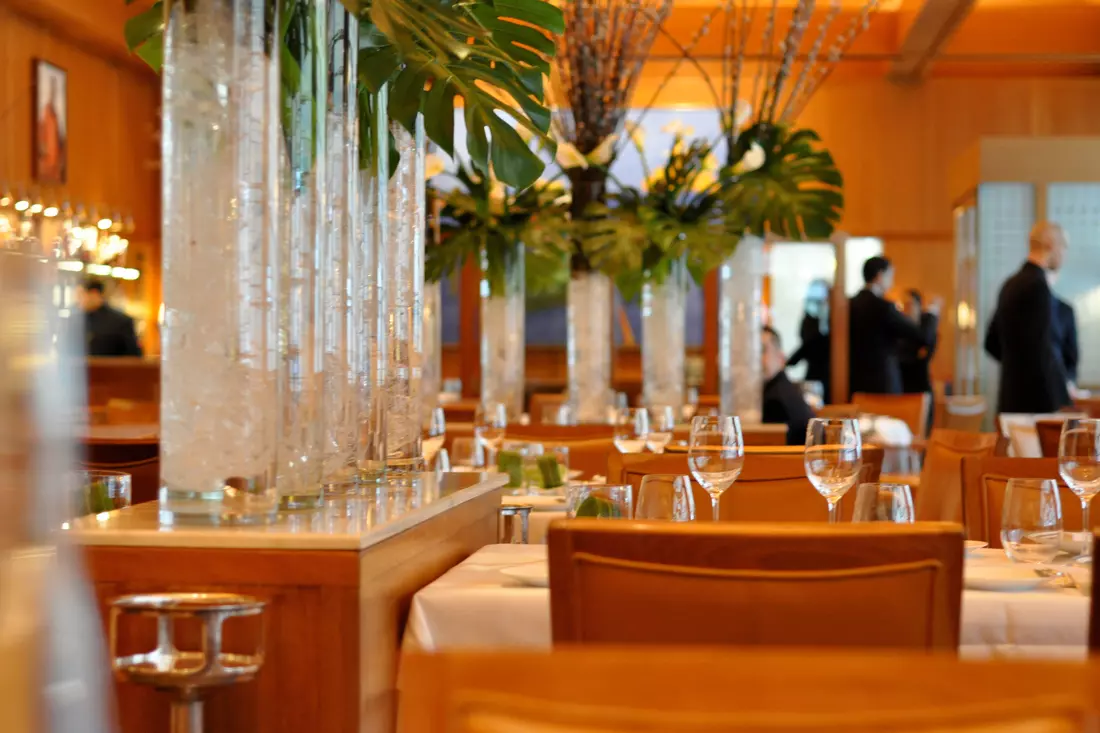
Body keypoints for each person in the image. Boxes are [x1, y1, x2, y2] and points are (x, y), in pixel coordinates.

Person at [984, 221, 1071, 413]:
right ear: (1051, 245)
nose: (1064, 254)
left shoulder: (1010, 284)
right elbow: (1041, 349)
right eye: (1064, 247)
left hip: (1011, 397)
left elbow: (991, 343)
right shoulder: (1038, 287)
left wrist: (1015, 366)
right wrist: (1061, 397)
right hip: (1035, 403)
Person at [848, 256, 939, 396]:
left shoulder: (849, 305)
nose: (891, 281)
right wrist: (932, 313)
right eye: (890, 275)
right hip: (883, 384)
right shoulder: (884, 308)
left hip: (854, 383)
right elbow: (922, 336)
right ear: (879, 276)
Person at [762, 326, 815, 446]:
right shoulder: (782, 387)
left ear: (781, 358)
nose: (753, 359)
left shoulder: (775, 401)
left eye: (762, 351)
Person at [787, 279, 832, 404]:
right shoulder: (810, 319)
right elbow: (807, 345)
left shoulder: (835, 318)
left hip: (829, 377)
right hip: (814, 376)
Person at [75, 278, 142, 357]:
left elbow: (134, 356)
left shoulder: (120, 321)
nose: (77, 300)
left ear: (94, 294)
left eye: (80, 295)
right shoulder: (73, 320)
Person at [899, 289, 938, 394]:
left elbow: (924, 354)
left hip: (921, 386)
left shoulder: (926, 330)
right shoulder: (900, 331)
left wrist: (932, 314)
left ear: (919, 306)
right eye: (904, 304)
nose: (906, 308)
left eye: (910, 304)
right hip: (903, 388)